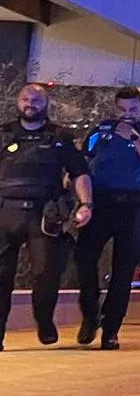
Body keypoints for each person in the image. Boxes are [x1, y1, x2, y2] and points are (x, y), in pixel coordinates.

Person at [74, 87, 140, 350]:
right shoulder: (100, 132)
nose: (127, 115)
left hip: (134, 206)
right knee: (84, 258)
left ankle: (111, 329)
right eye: (122, 110)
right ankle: (90, 313)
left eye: (133, 110)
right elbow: (81, 165)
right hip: (101, 202)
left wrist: (136, 139)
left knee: (123, 269)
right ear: (115, 109)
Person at [0, 83, 92, 348]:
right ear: (18, 101)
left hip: (44, 214)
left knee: (46, 273)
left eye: (37, 100)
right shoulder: (4, 134)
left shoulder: (59, 136)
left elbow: (79, 172)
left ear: (46, 103)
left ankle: (44, 320)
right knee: (1, 276)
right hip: (6, 211)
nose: (30, 104)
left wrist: (86, 204)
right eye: (26, 99)